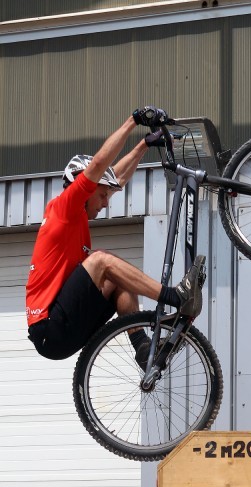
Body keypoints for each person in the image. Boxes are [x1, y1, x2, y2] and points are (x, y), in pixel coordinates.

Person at [26, 106, 205, 364]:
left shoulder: (75, 221)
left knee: (117, 278)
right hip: (49, 329)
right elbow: (100, 164)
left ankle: (143, 348)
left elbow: (115, 178)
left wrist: (144, 144)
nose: (106, 203)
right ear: (83, 189)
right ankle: (175, 297)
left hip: (67, 331)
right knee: (101, 261)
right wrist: (133, 121)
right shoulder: (62, 208)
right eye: (100, 196)